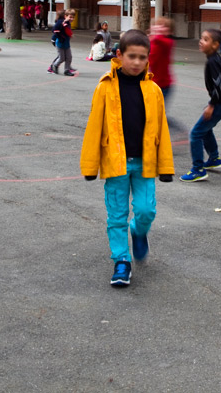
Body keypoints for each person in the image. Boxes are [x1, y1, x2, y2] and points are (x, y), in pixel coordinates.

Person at [80, 29, 174, 287]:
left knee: (146, 210)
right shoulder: (105, 87)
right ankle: (121, 261)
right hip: (115, 163)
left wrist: (166, 166)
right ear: (119, 55)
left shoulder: (154, 90)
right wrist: (90, 165)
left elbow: (162, 129)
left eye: (142, 57)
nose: (136, 62)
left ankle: (139, 231)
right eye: (131, 56)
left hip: (145, 163)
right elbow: (94, 127)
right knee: (117, 215)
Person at [180, 29, 221, 183]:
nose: (201, 41)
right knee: (205, 128)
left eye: (206, 39)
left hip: (220, 103)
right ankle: (214, 158)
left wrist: (212, 105)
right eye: (201, 38)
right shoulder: (215, 58)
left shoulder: (212, 62)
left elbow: (219, 85)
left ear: (215, 45)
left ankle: (198, 170)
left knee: (195, 134)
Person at [48, 8, 76, 76]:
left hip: (66, 43)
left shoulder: (67, 23)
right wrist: (63, 24)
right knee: (61, 58)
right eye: (70, 17)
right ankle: (54, 66)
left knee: (69, 57)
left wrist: (69, 35)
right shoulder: (61, 22)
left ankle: (67, 70)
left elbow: (67, 31)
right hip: (60, 43)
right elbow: (55, 29)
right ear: (65, 16)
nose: (71, 19)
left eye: (73, 17)